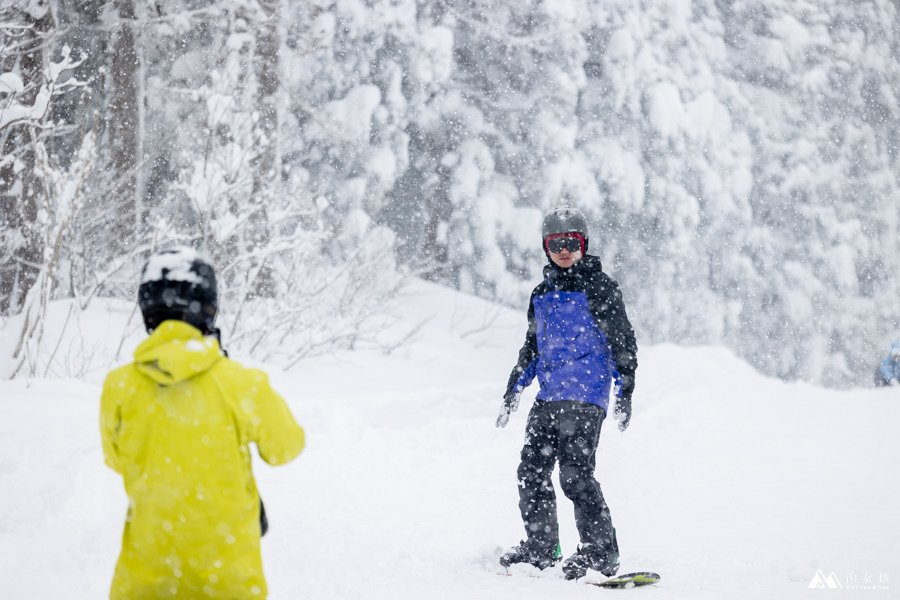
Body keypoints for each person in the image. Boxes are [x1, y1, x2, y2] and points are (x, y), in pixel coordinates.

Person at [100, 247, 305, 599]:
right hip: (227, 582)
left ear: (147, 310)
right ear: (208, 308)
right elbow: (286, 447)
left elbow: (117, 459)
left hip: (146, 581)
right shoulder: (241, 383)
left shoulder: (119, 386)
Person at [496, 207, 637, 580]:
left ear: (583, 244)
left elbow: (622, 339)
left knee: (574, 475)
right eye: (555, 243)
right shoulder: (541, 293)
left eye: (570, 243)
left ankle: (600, 553)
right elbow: (533, 345)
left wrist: (625, 388)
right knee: (531, 471)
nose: (563, 250)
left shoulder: (599, 288)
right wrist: (516, 384)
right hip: (550, 395)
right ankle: (542, 548)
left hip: (586, 394)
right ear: (545, 247)